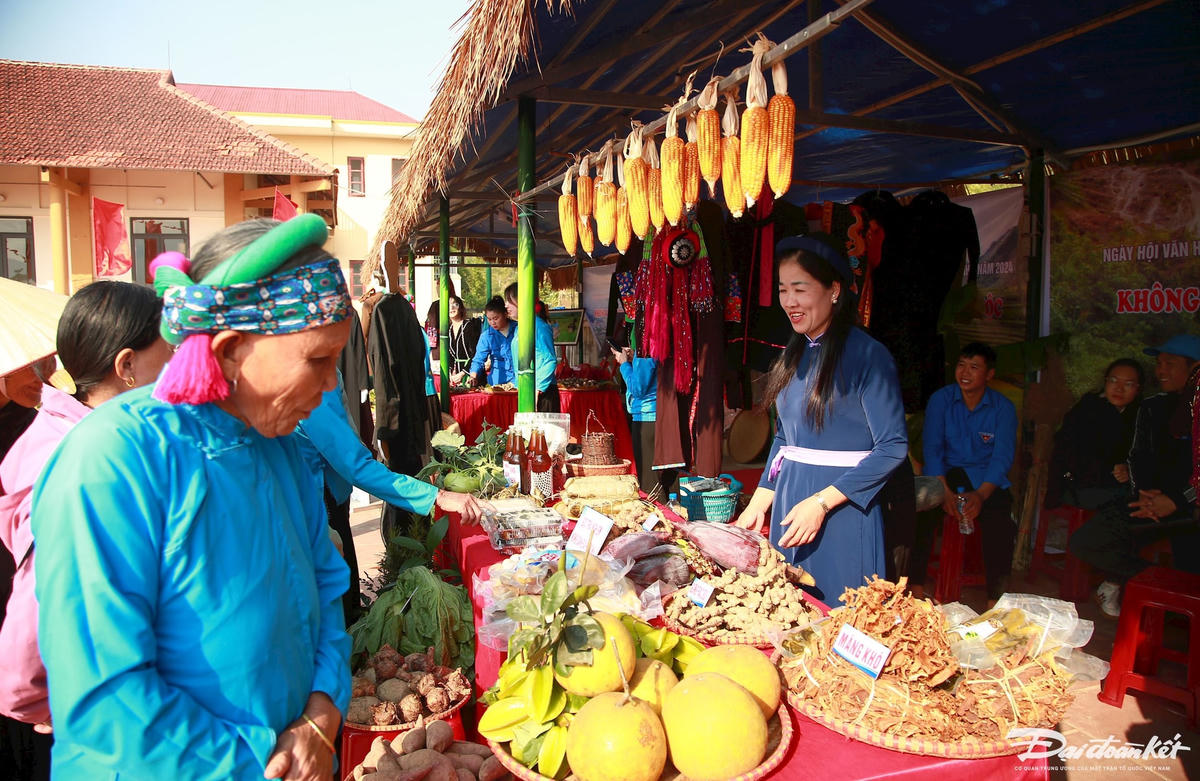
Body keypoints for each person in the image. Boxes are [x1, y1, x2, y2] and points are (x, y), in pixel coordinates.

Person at [31, 215, 355, 779]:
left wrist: (322, 710)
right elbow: (108, 699)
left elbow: (325, 591)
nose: (332, 385)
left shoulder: (277, 447)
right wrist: (262, 763)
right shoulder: (115, 459)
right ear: (229, 351)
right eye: (319, 360)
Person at [0, 280, 171, 781]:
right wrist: (51, 700)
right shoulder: (78, 459)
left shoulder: (81, 435)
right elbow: (23, 651)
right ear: (127, 367)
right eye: (167, 359)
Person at [734, 236, 907, 604]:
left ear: (834, 291)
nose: (789, 301)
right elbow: (784, 439)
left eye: (800, 288)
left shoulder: (869, 356)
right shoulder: (792, 355)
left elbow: (893, 447)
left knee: (841, 619)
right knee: (792, 616)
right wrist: (760, 501)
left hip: (843, 510)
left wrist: (822, 504)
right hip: (790, 507)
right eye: (783, 290)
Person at [296, 370, 486, 624]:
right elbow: (354, 465)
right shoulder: (308, 376)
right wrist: (435, 495)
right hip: (316, 499)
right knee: (331, 612)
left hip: (323, 494)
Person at [1069, 334, 1200, 616]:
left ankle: (1177, 601)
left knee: (1191, 554)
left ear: (1195, 368)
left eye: (1169, 363)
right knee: (1086, 542)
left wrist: (1177, 501)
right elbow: (1138, 458)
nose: (1160, 370)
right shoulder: (1153, 407)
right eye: (1159, 363)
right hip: (1149, 505)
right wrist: (1145, 495)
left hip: (1191, 508)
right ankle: (1159, 584)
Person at [920, 342, 1018, 604]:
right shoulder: (941, 400)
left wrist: (982, 495)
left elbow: (1002, 457)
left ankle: (995, 601)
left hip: (985, 481)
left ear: (989, 375)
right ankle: (915, 589)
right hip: (945, 475)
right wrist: (944, 492)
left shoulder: (1003, 408)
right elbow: (933, 450)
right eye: (962, 365)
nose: (965, 372)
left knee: (1002, 525)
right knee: (919, 511)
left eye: (974, 367)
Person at [1044, 358, 1144, 510]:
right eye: (1114, 381)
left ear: (1138, 389)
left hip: (1114, 487)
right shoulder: (1087, 409)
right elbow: (1069, 454)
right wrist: (1111, 468)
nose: (1119, 389)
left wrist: (1129, 470)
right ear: (1105, 382)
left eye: (1128, 384)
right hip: (1079, 486)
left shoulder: (1140, 416)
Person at [612, 340, 674, 496]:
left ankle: (660, 515)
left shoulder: (648, 343)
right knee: (668, 474)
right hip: (664, 413)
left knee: (649, 479)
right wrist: (635, 358)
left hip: (647, 416)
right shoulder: (660, 341)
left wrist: (624, 364)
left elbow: (638, 388)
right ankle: (674, 511)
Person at [503, 283, 560, 412]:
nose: (506, 305)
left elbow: (549, 360)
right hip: (527, 390)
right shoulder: (519, 327)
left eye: (509, 300)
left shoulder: (539, 326)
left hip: (542, 393)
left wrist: (537, 389)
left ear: (522, 301)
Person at [460, 295, 515, 386]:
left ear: (505, 314)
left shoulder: (518, 329)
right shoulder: (487, 335)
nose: (492, 322)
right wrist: (473, 376)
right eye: (489, 319)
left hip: (519, 380)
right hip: (497, 382)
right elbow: (478, 359)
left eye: (496, 318)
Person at [446, 296, 482, 377]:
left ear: (461, 308)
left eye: (455, 304)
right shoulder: (448, 329)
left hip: (471, 373)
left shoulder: (469, 326)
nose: (451, 307)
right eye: (448, 305)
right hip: (456, 375)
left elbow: (476, 354)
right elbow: (450, 355)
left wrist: (463, 373)